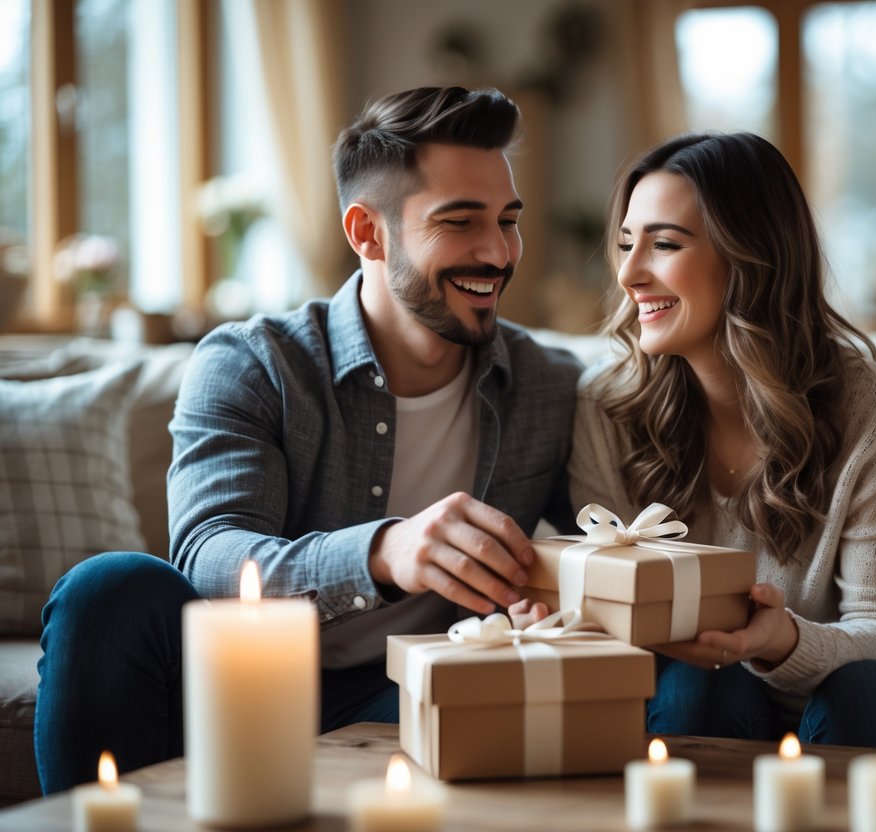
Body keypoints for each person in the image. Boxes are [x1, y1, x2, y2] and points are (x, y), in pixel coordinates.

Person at [34, 86, 581, 793]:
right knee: (107, 591)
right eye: (460, 221)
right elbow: (209, 555)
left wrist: (551, 604)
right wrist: (384, 551)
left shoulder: (548, 384)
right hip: (233, 685)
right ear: (367, 233)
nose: (498, 252)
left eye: (508, 221)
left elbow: (603, 543)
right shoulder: (253, 362)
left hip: (414, 694)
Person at [563, 132, 876, 748]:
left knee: (867, 689)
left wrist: (781, 639)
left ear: (749, 257)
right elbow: (606, 608)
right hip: (691, 705)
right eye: (627, 244)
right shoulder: (607, 407)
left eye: (663, 244)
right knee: (699, 683)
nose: (629, 273)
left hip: (843, 702)